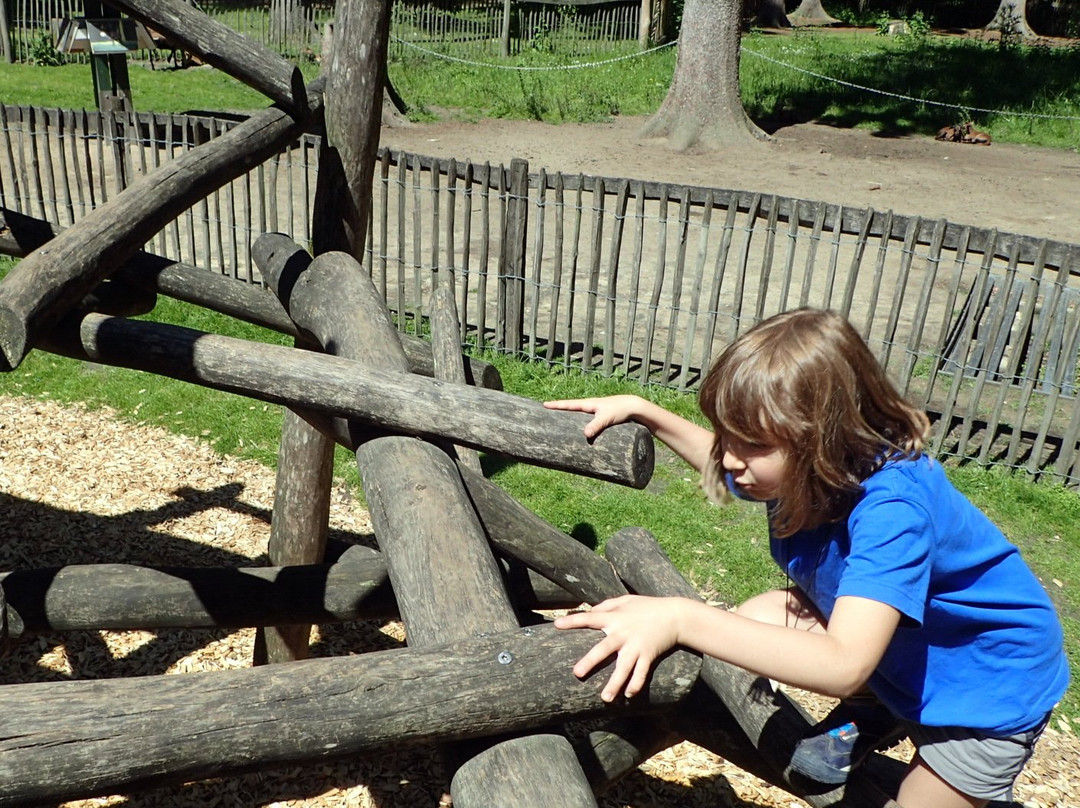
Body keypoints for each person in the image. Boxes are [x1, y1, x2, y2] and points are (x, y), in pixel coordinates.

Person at [545, 308, 1068, 808]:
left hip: (985, 684)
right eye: (728, 436)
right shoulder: (811, 468)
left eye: (748, 443)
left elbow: (842, 663)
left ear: (821, 440)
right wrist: (647, 411)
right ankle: (878, 707)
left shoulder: (893, 511)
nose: (728, 458)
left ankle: (880, 704)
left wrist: (683, 617)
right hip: (915, 644)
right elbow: (728, 464)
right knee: (759, 618)